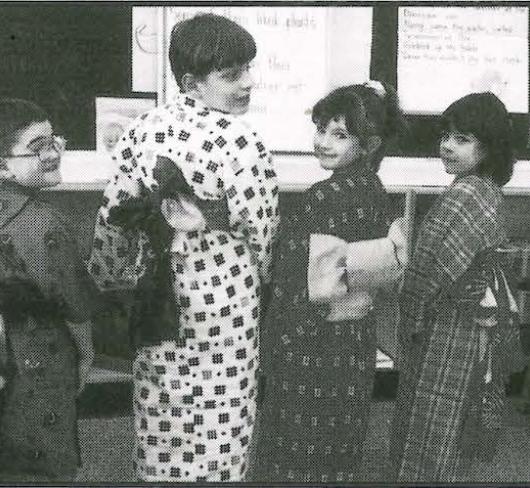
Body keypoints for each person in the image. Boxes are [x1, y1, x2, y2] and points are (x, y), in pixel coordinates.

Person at [87, 13, 279, 482]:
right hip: (226, 300)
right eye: (232, 74)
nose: (248, 83)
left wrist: (108, 278)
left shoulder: (142, 130)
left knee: (163, 410)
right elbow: (262, 230)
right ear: (192, 82)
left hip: (160, 292)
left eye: (249, 69)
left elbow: (114, 215)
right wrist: (264, 282)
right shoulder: (243, 140)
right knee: (222, 415)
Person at [252, 82, 407, 483]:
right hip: (354, 336)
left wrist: (272, 339)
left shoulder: (322, 196)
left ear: (370, 143)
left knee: (296, 435)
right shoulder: (377, 191)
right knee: (339, 432)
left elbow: (300, 282)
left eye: (338, 134)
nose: (322, 142)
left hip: (310, 336)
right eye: (320, 130)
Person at [389, 92, 526, 481]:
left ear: (489, 148)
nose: (446, 145)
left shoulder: (465, 195)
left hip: (448, 326)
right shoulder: (484, 189)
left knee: (430, 424)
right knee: (448, 424)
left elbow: (428, 272)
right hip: (471, 328)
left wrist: (408, 316)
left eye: (462, 139)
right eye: (446, 134)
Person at [0, 98, 95, 481]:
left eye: (55, 140)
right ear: (3, 164)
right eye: (38, 147)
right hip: (35, 360)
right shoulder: (43, 224)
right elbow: (74, 302)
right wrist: (87, 352)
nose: (54, 153)